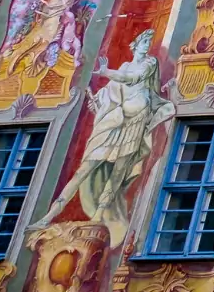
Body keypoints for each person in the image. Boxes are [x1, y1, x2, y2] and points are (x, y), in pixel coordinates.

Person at [40, 29, 175, 242]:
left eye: (149, 41)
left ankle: (99, 215)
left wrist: (106, 72)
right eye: (144, 41)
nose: (147, 45)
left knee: (118, 173)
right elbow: (111, 94)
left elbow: (132, 79)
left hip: (136, 122)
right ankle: (51, 213)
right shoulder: (125, 65)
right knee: (85, 167)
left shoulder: (149, 64)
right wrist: (99, 104)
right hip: (116, 122)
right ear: (135, 43)